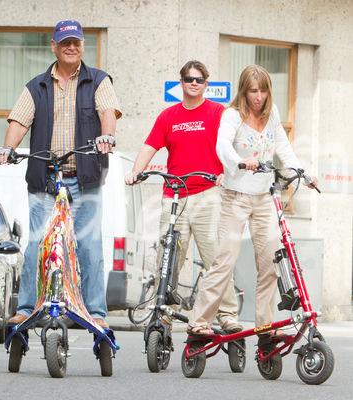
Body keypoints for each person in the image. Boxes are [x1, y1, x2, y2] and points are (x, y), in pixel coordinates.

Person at [0, 20, 121, 328]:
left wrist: (107, 136)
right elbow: (20, 122)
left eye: (76, 42)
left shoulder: (98, 81)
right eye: (65, 42)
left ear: (82, 46)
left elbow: (107, 111)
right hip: (45, 180)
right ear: (53, 46)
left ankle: (97, 314)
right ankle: (27, 308)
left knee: (90, 246)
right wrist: (7, 149)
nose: (71, 47)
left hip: (85, 179)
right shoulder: (36, 86)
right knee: (38, 244)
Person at [187, 64, 317, 336]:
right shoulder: (232, 115)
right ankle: (199, 322)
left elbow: (284, 148)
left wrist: (304, 176)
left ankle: (265, 327)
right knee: (224, 260)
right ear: (244, 91)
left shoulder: (272, 115)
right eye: (253, 91)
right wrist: (240, 162)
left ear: (270, 92)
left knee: (269, 262)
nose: (258, 97)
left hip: (265, 199)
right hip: (235, 197)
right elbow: (222, 145)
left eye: (263, 91)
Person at [125, 60, 241, 331]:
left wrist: (229, 172)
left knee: (215, 258)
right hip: (174, 195)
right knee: (168, 258)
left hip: (208, 195)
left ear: (205, 84)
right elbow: (149, 146)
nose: (193, 83)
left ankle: (227, 314)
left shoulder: (217, 113)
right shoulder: (169, 116)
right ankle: (165, 310)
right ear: (181, 82)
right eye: (188, 78)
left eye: (198, 80)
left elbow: (232, 147)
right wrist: (135, 172)